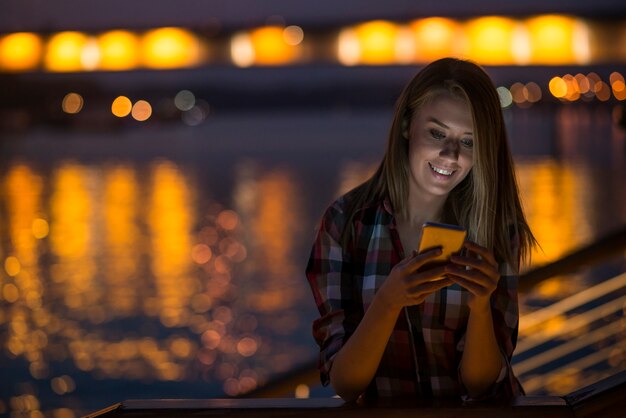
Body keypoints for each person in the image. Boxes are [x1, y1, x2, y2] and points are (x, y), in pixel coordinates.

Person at [305, 57, 536, 402]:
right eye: (437, 133)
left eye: (469, 141)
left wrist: (481, 304)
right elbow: (346, 384)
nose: (450, 154)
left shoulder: (496, 227)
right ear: (406, 125)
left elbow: (482, 386)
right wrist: (387, 302)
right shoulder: (346, 223)